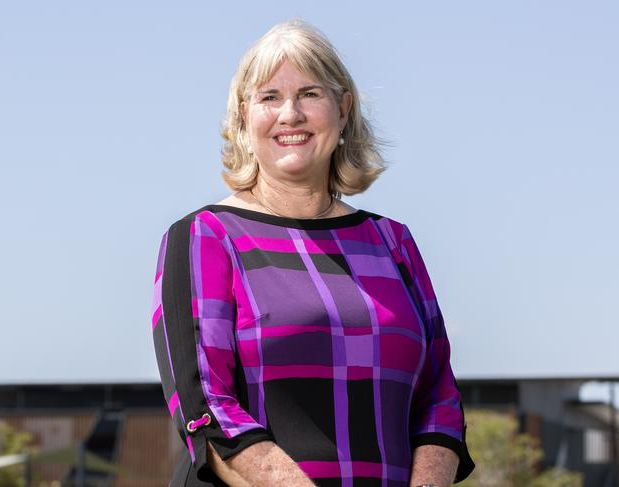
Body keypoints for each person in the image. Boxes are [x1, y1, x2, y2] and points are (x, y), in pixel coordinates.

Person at [152, 20, 474, 487]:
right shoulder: (205, 236)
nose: (290, 114)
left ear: (343, 111)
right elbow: (206, 410)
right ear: (243, 119)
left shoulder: (393, 243)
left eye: (309, 94)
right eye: (269, 98)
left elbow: (440, 399)